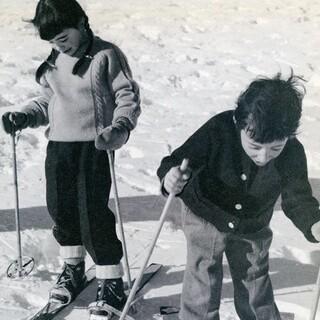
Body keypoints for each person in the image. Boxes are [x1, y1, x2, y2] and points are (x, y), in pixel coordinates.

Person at [1, 0, 140, 317]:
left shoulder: (106, 56)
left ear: (81, 23)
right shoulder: (55, 60)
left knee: (93, 214)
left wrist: (120, 127)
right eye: (52, 42)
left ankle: (110, 280)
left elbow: (126, 96)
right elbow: (49, 100)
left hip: (95, 147)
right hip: (59, 147)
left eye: (63, 38)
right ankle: (73, 269)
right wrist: (24, 116)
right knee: (60, 209)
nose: (59, 46)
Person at [157, 73, 320, 320]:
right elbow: (177, 161)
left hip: (252, 222)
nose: (264, 157)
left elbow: (297, 197)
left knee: (254, 279)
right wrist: (171, 177)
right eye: (255, 146)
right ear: (239, 122)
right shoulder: (218, 130)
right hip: (206, 212)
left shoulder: (293, 153)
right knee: (203, 276)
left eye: (275, 148)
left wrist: (313, 222)